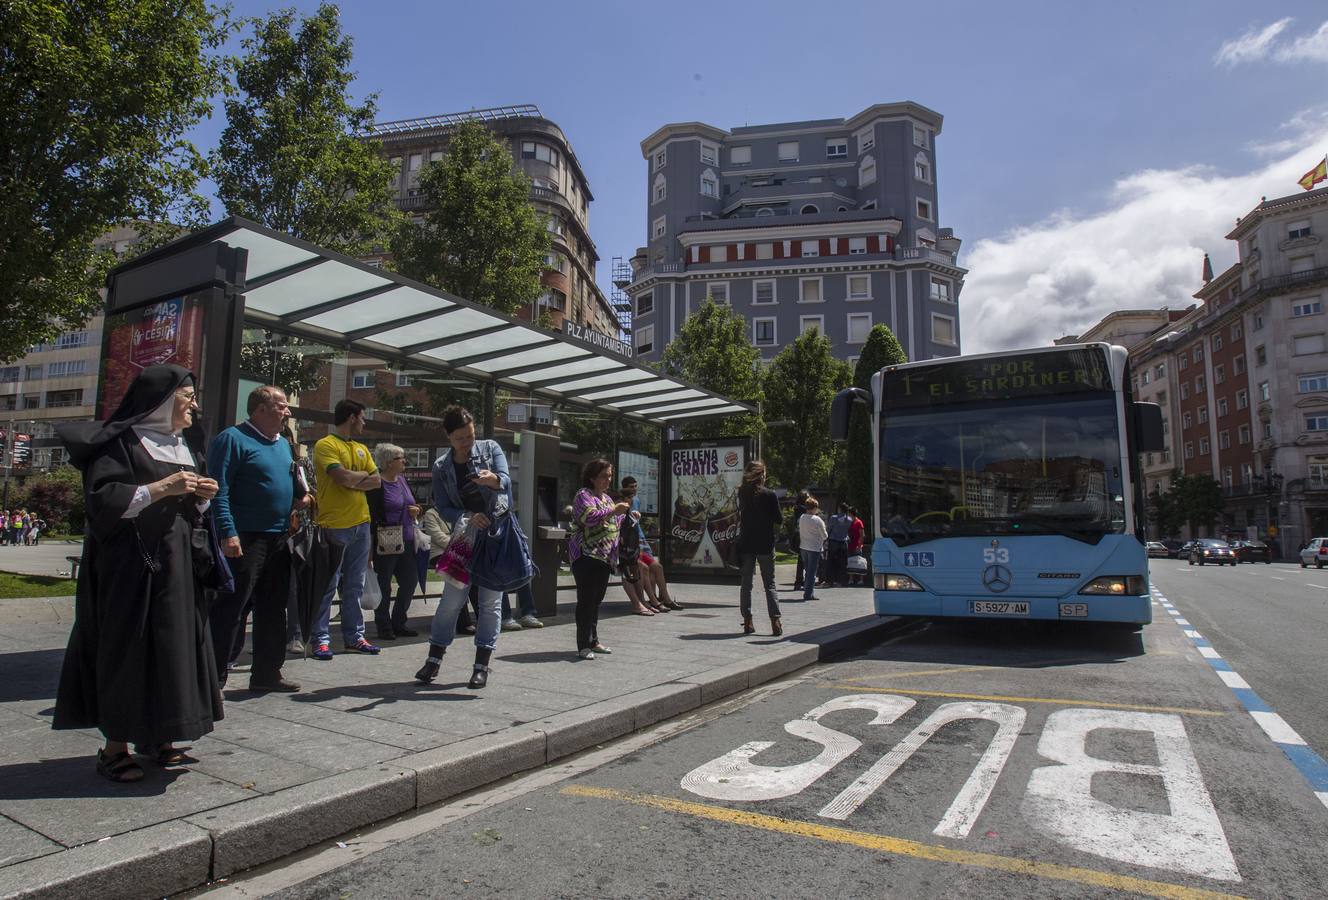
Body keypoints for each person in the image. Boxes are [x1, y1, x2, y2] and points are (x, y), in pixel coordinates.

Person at [53, 364, 223, 782]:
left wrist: (202, 497)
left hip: (176, 562)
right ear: (162, 401)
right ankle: (114, 747)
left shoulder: (183, 445)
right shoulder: (121, 444)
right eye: (188, 396)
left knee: (172, 646)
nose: (194, 405)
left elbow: (190, 512)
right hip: (131, 565)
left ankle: (161, 735)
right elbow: (103, 502)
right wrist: (164, 487)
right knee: (130, 646)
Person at [416, 406, 533, 689]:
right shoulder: (441, 467)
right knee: (450, 602)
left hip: (494, 535)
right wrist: (465, 517)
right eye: (459, 438)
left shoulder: (490, 448)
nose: (467, 443)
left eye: (469, 435)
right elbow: (443, 505)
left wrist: (493, 480)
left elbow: (505, 481)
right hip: (466, 537)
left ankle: (481, 665)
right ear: (448, 437)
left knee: (490, 604)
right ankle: (434, 659)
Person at [208, 385, 306, 692]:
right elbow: (218, 490)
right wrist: (228, 532)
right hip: (245, 538)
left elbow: (287, 480)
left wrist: (299, 497)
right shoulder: (232, 439)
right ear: (259, 409)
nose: (287, 411)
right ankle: (212, 679)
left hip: (278, 537)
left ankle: (267, 673)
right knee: (232, 608)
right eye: (281, 406)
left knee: (274, 608)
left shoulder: (282, 444)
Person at [310, 399, 382, 660]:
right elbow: (340, 477)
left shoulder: (362, 448)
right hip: (334, 524)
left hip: (361, 524)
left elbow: (377, 481)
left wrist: (353, 479)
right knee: (329, 585)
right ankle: (320, 639)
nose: (364, 422)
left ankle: (354, 637)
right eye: (362, 417)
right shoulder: (325, 444)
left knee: (354, 585)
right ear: (352, 417)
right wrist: (357, 479)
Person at [569, 458, 630, 660]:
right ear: (592, 477)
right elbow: (589, 517)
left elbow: (614, 521)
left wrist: (627, 516)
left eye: (610, 475)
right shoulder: (583, 495)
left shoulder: (606, 498)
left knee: (596, 600)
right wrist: (614, 511)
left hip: (604, 558)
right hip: (586, 556)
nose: (608, 479)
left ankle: (593, 640)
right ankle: (583, 645)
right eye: (604, 476)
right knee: (586, 601)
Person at [367, 442, 421, 640]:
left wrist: (417, 510)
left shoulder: (402, 480)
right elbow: (371, 515)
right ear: (389, 462)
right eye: (400, 458)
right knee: (384, 584)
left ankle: (399, 621)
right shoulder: (376, 484)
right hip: (385, 540)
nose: (404, 461)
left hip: (407, 539)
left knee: (409, 581)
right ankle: (384, 625)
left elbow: (414, 503)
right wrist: (369, 547)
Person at [735, 460, 783, 635]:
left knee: (746, 584)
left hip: (747, 543)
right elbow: (779, 519)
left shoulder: (742, 493)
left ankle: (748, 621)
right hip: (765, 544)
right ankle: (775, 622)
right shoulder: (770, 494)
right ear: (762, 475)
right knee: (769, 583)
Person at [621, 476, 681, 611]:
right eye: (631, 487)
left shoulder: (635, 500)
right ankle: (650, 600)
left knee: (656, 567)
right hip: (631, 545)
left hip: (639, 540)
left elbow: (635, 524)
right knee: (644, 569)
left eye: (636, 486)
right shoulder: (620, 505)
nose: (634, 490)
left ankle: (665, 598)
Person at [798, 498, 827, 602]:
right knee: (812, 572)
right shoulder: (817, 520)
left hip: (803, 547)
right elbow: (824, 536)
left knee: (807, 570)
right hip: (814, 548)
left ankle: (808, 591)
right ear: (814, 508)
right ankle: (808, 594)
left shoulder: (801, 517)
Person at [825, 502, 852, 588]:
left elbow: (828, 529)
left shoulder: (834, 518)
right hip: (843, 542)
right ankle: (841, 581)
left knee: (831, 562)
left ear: (839, 509)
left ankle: (830, 581)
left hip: (833, 541)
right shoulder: (849, 520)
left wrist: (826, 538)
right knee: (842, 563)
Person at [790, 490, 811, 589]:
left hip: (799, 535)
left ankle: (798, 581)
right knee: (807, 559)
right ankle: (803, 581)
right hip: (805, 535)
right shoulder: (804, 509)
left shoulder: (797, 508)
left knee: (801, 559)